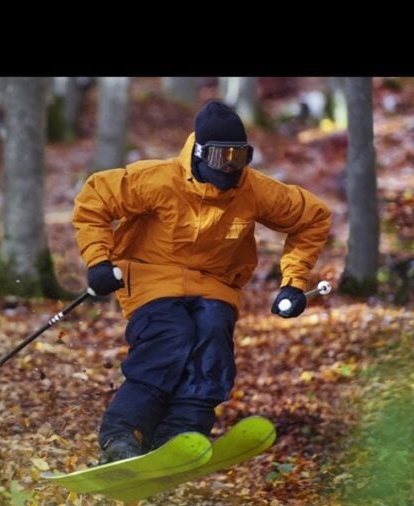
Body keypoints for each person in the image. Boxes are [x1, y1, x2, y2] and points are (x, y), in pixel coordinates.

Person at [71, 99, 332, 465]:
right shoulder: (159, 180)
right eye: (219, 157)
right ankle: (122, 435)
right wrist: (98, 261)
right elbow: (94, 197)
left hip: (215, 284)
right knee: (171, 336)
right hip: (152, 276)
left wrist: (294, 281)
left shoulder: (252, 190)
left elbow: (313, 218)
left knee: (212, 338)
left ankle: (181, 434)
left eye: (238, 158)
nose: (228, 167)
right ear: (198, 153)